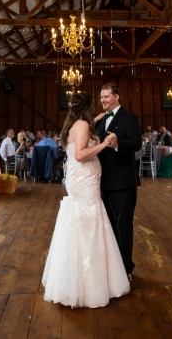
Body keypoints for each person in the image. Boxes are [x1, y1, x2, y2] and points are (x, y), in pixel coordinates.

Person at [42, 92, 130, 307]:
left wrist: (96, 121)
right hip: (85, 181)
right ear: (87, 107)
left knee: (84, 221)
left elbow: (74, 150)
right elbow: (81, 154)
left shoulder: (77, 123)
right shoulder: (81, 125)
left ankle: (78, 280)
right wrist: (104, 144)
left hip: (82, 179)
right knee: (88, 223)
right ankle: (90, 285)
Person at [93, 83, 142, 283]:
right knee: (108, 227)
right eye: (101, 97)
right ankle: (111, 268)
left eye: (106, 96)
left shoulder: (129, 118)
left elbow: (136, 143)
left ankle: (126, 268)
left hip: (123, 183)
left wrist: (118, 144)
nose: (103, 100)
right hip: (101, 183)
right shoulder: (99, 121)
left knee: (123, 227)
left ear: (117, 97)